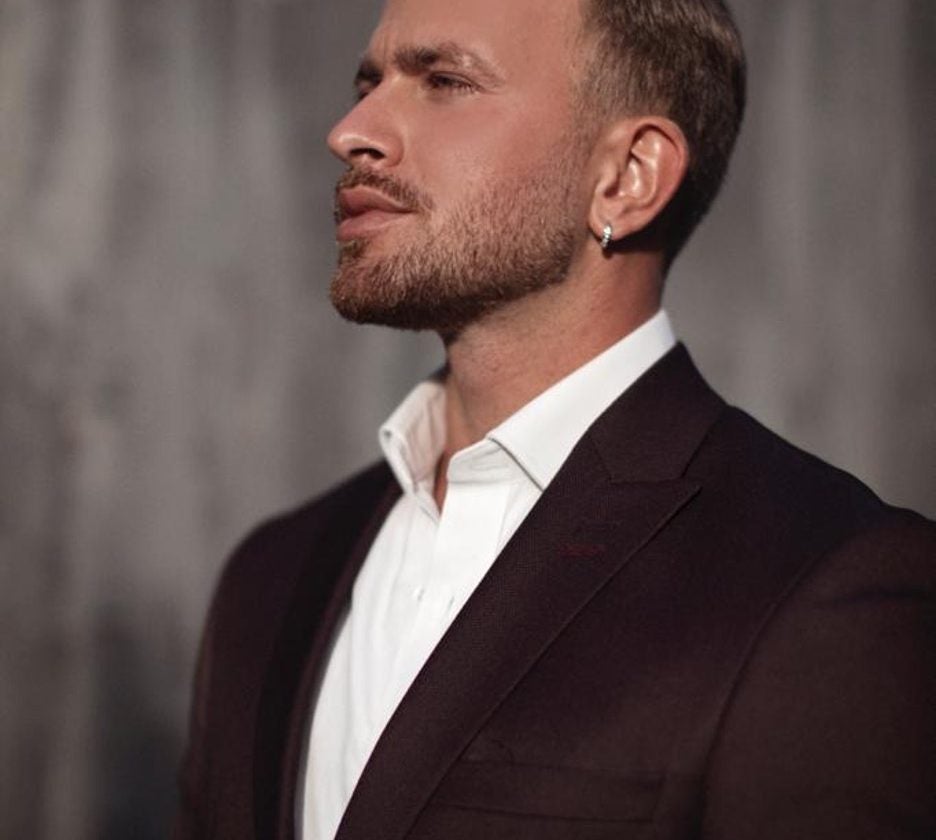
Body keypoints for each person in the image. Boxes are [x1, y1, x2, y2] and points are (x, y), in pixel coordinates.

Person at [173, 0, 936, 838]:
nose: (352, 131)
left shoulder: (822, 584)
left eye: (445, 81)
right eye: (369, 83)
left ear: (628, 176)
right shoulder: (270, 579)